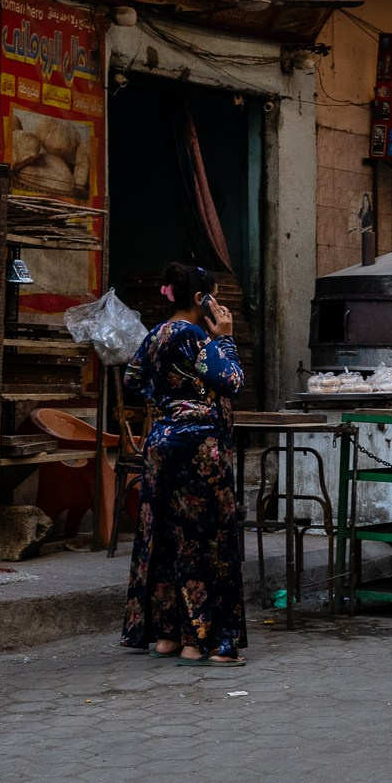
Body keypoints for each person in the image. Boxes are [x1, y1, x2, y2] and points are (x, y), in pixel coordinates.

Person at [122, 262, 247, 664]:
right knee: (207, 539)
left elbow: (132, 379)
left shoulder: (156, 334)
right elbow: (232, 382)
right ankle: (207, 643)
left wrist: (169, 401)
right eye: (214, 296)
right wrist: (225, 339)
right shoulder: (195, 336)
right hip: (199, 447)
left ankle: (167, 636)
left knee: (166, 536)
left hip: (161, 443)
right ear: (201, 299)